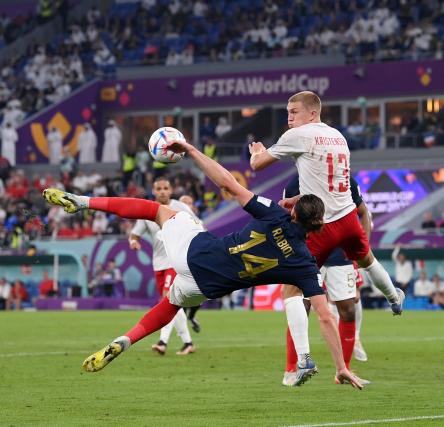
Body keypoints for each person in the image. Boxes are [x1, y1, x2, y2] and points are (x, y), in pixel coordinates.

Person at [42, 138, 362, 389]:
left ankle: (81, 202)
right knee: (171, 304)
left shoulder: (275, 213)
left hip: (195, 254)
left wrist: (192, 151)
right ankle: (125, 341)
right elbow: (325, 317)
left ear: (293, 210)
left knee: (162, 210)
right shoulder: (305, 265)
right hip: (208, 287)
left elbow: (228, 183)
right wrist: (341, 367)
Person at [248, 91, 403, 385]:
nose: (289, 118)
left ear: (311, 113)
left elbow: (258, 165)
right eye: (288, 112)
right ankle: (394, 298)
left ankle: (302, 362)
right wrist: (297, 198)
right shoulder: (338, 137)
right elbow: (324, 182)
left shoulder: (298, 135)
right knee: (367, 259)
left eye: (294, 111)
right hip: (347, 219)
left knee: (291, 292)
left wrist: (257, 151)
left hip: (322, 225)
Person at [281, 173, 372, 384]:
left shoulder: (345, 179)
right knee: (301, 307)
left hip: (340, 256)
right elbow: (286, 219)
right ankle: (290, 370)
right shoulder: (294, 183)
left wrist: (361, 249)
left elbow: (364, 212)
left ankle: (344, 372)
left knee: (348, 310)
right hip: (309, 255)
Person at [129, 178, 196, 356]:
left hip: (176, 262)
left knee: (167, 300)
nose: (163, 192)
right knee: (172, 302)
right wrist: (133, 242)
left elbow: (199, 226)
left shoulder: (180, 207)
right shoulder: (148, 211)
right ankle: (188, 343)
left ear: (171, 190)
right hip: (158, 264)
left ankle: (162, 342)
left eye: (166, 188)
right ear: (153, 191)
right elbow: (134, 234)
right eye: (159, 189)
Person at [178, 194, 203, 332]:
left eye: (190, 202)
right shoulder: (172, 220)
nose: (187, 205)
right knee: (174, 298)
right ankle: (166, 340)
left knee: (199, 294)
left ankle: (191, 317)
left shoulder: (198, 222)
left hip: (193, 263)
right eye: (184, 203)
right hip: (174, 263)